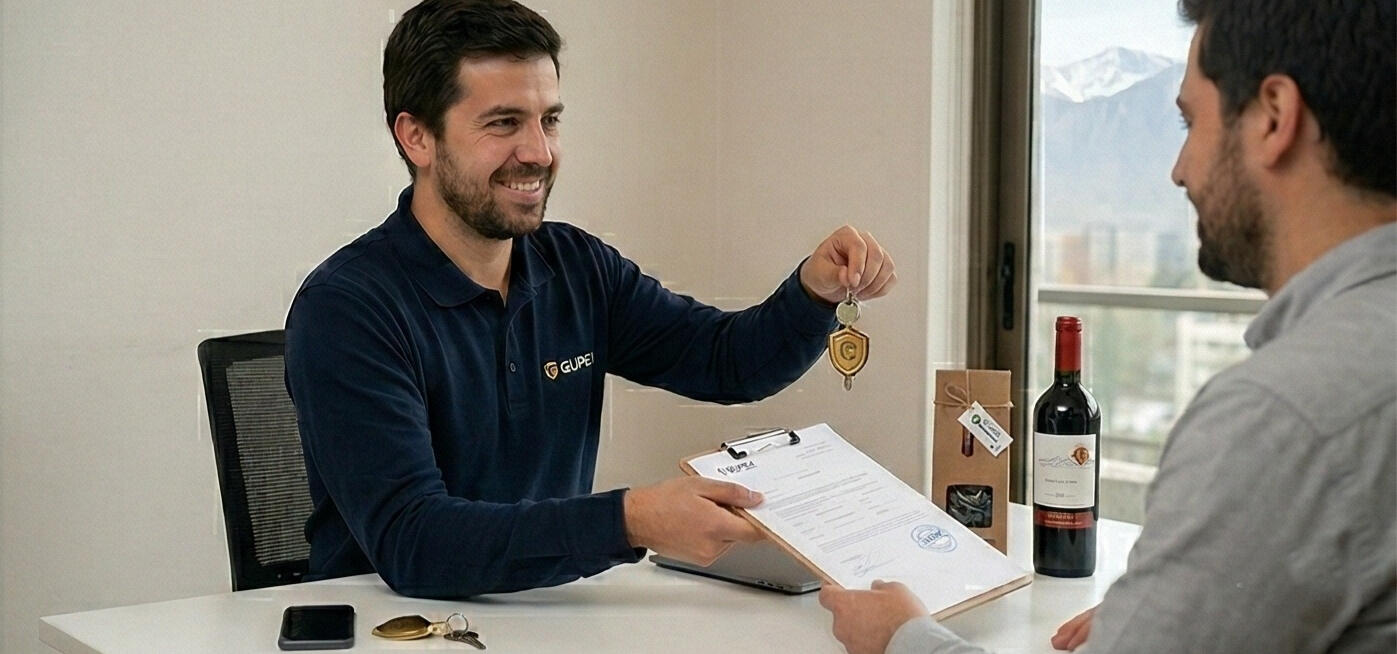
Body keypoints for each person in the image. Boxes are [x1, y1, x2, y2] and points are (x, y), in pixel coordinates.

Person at [820, 0, 1395, 652]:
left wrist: (901, 638)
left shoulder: (1281, 418)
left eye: (1189, 122)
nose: (1178, 169)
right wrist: (1168, 612)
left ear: (1273, 117)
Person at [283, 0, 896, 599]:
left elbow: (728, 361)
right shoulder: (347, 308)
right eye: (504, 123)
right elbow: (415, 541)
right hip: (393, 628)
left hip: (550, 616)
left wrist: (813, 292)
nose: (539, 153)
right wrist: (630, 521)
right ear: (417, 137)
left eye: (549, 120)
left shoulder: (575, 266)